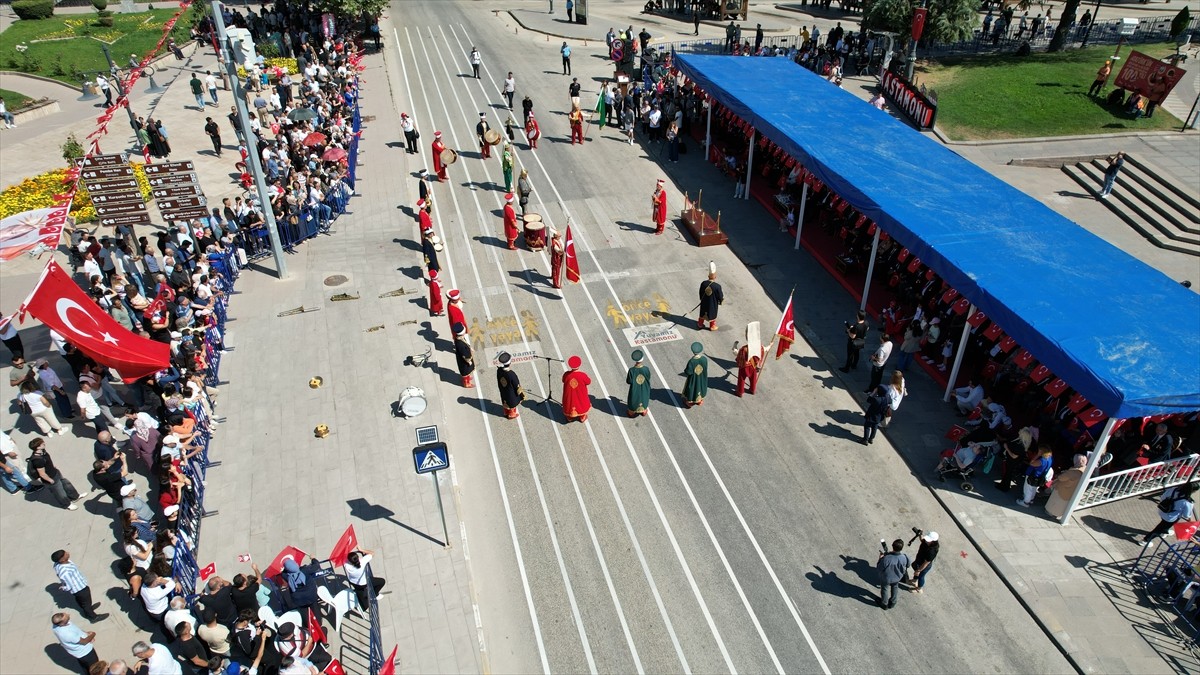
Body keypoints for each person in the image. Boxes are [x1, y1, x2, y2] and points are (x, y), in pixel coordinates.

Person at [28, 438, 83, 510]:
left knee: (66, 484)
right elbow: (42, 474)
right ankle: (67, 504)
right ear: (37, 447)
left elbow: (48, 461)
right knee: (59, 492)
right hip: (51, 478)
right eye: (42, 443)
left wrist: (53, 467)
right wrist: (50, 480)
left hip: (55, 472)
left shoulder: (43, 452)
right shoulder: (38, 460)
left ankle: (75, 497)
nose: (44, 443)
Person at [53, 550, 105, 621]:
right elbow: (69, 586)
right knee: (85, 602)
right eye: (65, 554)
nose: (68, 553)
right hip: (79, 589)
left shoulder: (62, 563)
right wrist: (63, 588)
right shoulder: (64, 571)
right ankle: (93, 617)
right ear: (62, 559)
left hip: (81, 584)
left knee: (83, 601)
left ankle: (88, 609)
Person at [1045, 454, 1088, 519]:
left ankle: (1051, 513)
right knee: (1062, 505)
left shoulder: (1074, 472)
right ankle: (1057, 513)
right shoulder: (1085, 469)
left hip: (1062, 490)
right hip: (1072, 491)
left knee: (1056, 503)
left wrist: (1062, 474)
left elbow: (1061, 478)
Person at [876, 539, 910, 610]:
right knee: (895, 587)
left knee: (885, 589)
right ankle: (893, 602)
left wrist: (880, 559)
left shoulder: (887, 559)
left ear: (892, 546)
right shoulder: (904, 557)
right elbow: (908, 565)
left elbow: (879, 567)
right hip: (898, 577)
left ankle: (884, 603)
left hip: (887, 578)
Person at [734, 323, 765, 397]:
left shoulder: (744, 349)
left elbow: (740, 358)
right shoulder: (760, 347)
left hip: (744, 366)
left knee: (741, 378)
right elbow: (762, 354)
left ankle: (740, 391)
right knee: (753, 378)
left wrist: (738, 361)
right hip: (754, 366)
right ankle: (752, 389)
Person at [561, 355, 592, 422]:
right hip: (579, 393)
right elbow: (588, 381)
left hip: (570, 394)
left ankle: (569, 418)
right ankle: (582, 417)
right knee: (581, 403)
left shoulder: (566, 375)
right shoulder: (582, 375)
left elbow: (563, 380)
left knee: (569, 403)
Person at [496, 352, 525, 419]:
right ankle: (511, 415)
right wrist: (521, 394)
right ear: (509, 363)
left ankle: (506, 412)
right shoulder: (511, 374)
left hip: (503, 390)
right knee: (512, 402)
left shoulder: (499, 371)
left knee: (505, 401)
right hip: (510, 393)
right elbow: (516, 385)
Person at [625, 350, 651, 417]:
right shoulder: (646, 369)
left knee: (633, 399)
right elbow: (648, 377)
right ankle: (643, 410)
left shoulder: (631, 370)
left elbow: (628, 381)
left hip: (635, 389)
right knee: (644, 398)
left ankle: (632, 412)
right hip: (644, 388)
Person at [452, 322, 475, 389]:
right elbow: (465, 355)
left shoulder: (459, 338)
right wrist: (469, 359)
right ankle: (466, 383)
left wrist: (469, 347)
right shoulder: (460, 344)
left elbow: (465, 344)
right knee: (466, 371)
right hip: (464, 361)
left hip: (463, 359)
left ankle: (467, 378)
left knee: (467, 372)